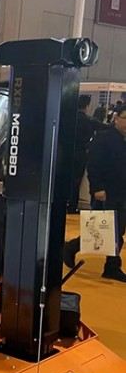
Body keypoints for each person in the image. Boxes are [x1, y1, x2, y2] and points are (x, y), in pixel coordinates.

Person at [64, 106, 126, 282]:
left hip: (121, 192)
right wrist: (97, 188)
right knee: (105, 229)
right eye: (125, 118)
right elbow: (94, 165)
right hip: (106, 192)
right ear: (116, 118)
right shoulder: (104, 138)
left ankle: (73, 248)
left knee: (114, 230)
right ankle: (111, 265)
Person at [68, 94, 101, 213]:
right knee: (76, 182)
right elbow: (105, 128)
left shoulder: (69, 119)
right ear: (87, 106)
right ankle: (72, 206)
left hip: (67, 153)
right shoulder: (89, 121)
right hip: (81, 154)